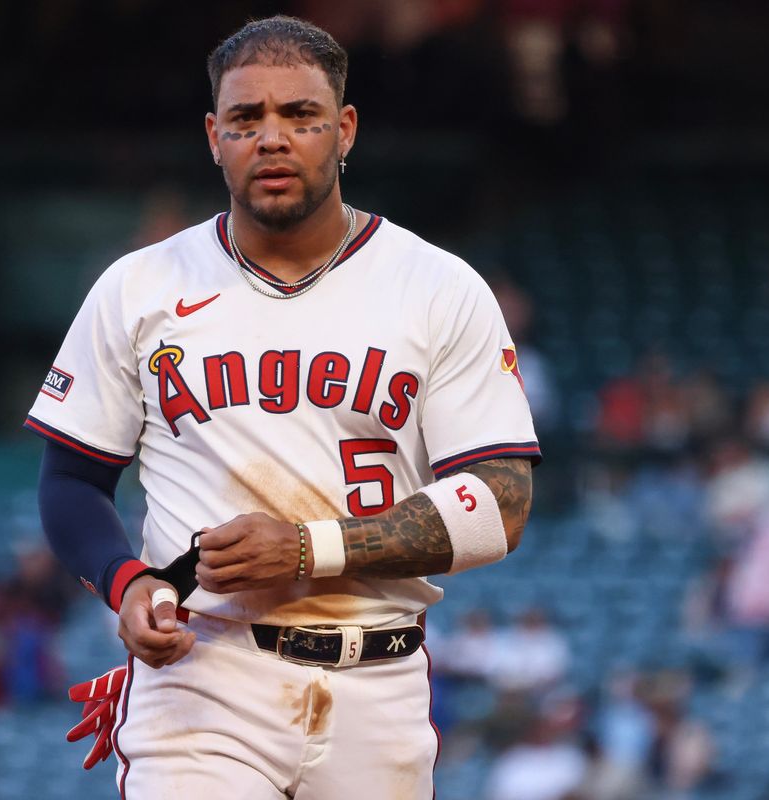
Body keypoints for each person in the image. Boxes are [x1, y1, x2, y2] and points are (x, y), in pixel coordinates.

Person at [26, 15, 540, 798]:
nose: (272, 138)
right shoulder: (140, 287)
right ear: (213, 135)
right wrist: (127, 583)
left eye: (299, 116)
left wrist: (306, 550)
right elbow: (70, 482)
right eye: (245, 119)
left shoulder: (438, 287)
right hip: (206, 674)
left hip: (379, 681)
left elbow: (498, 506)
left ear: (345, 129)